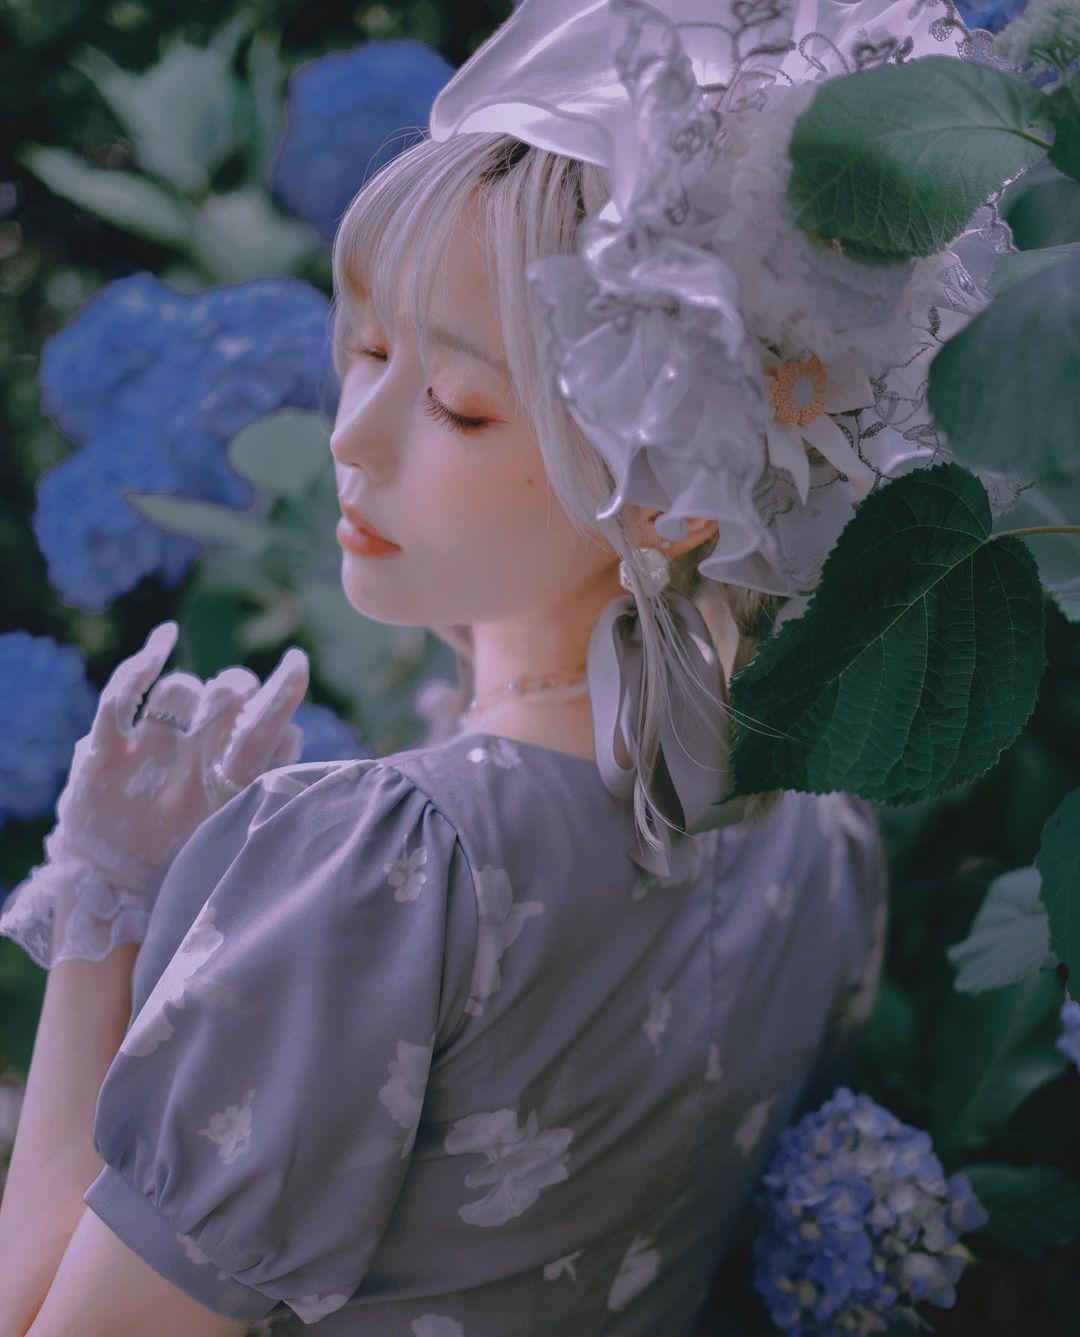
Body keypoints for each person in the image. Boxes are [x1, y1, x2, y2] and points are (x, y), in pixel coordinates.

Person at [0, 6, 895, 1336]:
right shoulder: (820, 830)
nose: (352, 435)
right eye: (368, 349)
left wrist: (107, 915)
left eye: (457, 405)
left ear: (668, 491)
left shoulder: (383, 867)